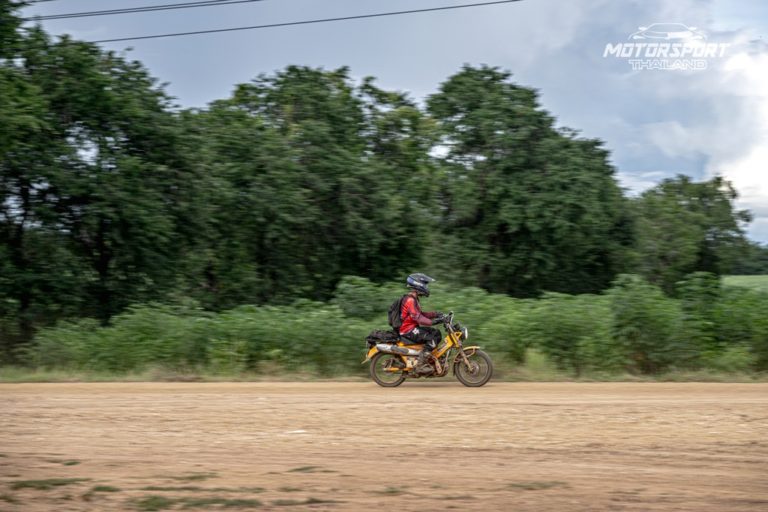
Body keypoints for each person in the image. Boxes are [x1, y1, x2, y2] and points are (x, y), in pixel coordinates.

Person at [399, 273, 445, 375]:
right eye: (425, 284)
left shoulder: (414, 299)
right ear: (418, 284)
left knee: (436, 333)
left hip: (412, 328)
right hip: (407, 330)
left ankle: (428, 358)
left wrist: (435, 314)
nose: (426, 287)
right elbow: (418, 318)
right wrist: (433, 322)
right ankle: (419, 365)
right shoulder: (410, 300)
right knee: (431, 339)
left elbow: (420, 314)